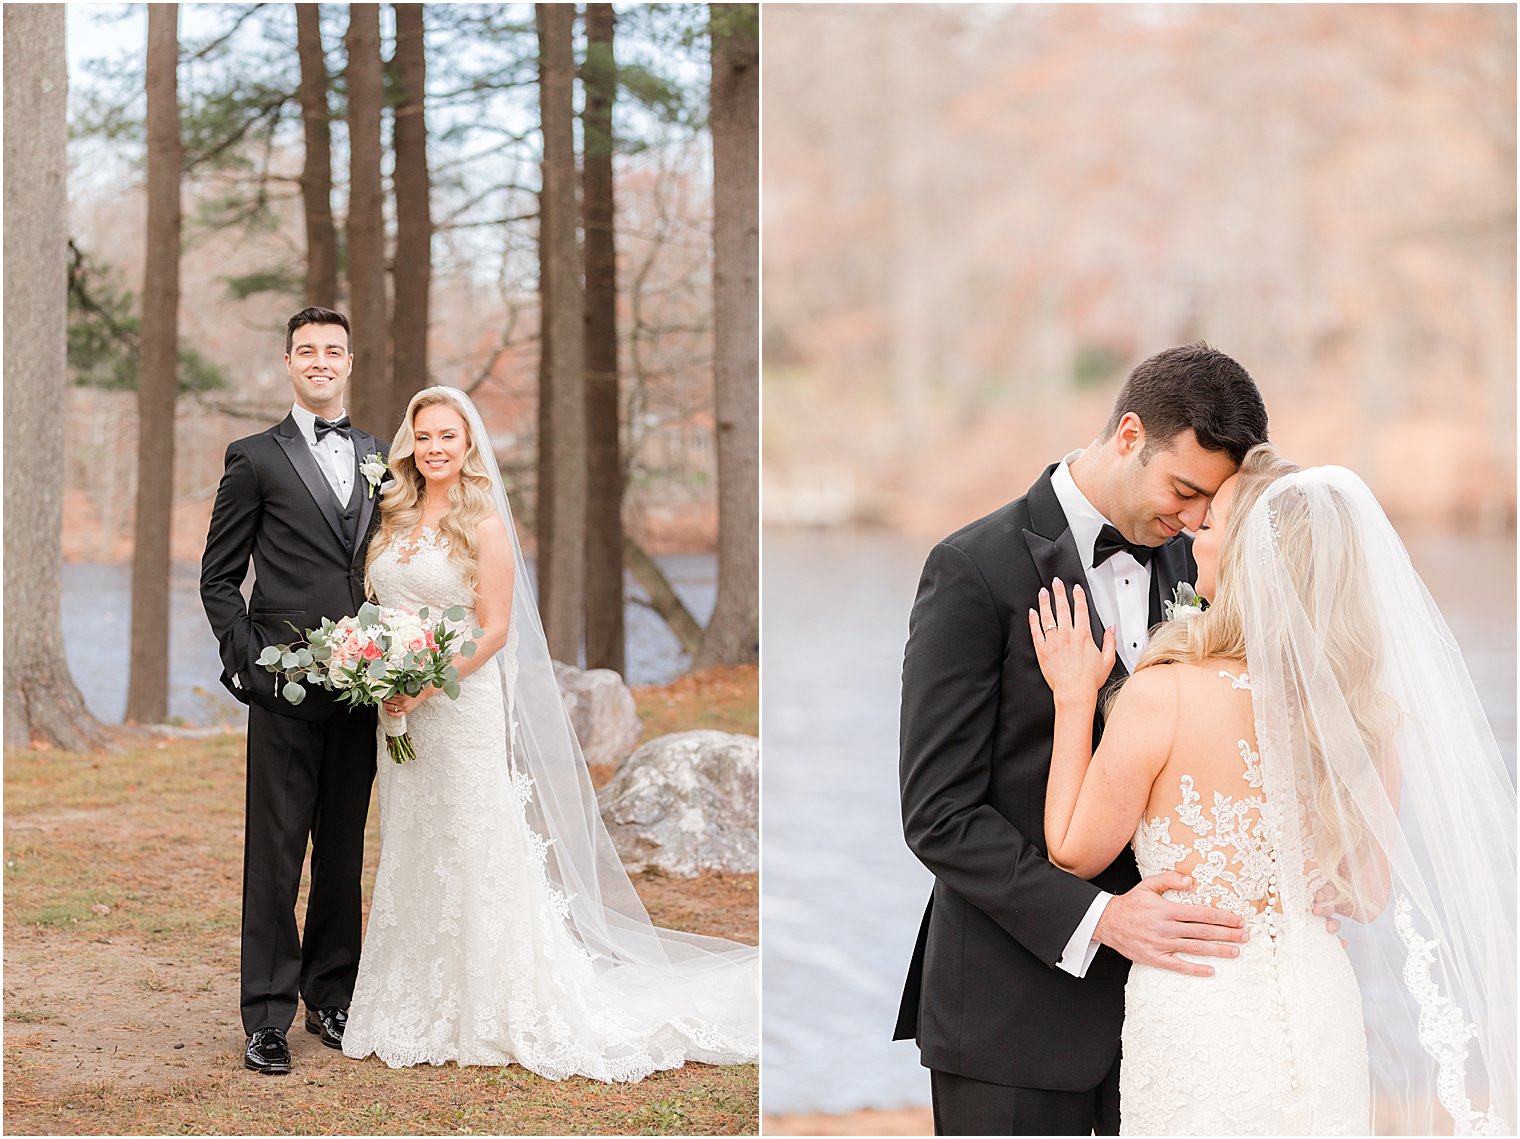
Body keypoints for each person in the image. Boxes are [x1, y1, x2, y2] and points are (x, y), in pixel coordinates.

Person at [1030, 445, 1515, 1134]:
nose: (1196, 535)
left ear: (1257, 555)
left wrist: (1074, 700)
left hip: (1200, 1001)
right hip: (1321, 1000)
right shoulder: (1362, 712)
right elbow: (1368, 893)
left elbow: (1074, 851)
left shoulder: (1162, 695)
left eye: (1216, 521)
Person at [895, 344, 1269, 1135]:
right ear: (1130, 433)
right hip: (1011, 1018)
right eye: (1184, 490)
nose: (1196, 518)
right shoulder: (973, 569)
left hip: (1171, 1016)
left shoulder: (1202, 563)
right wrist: (1101, 916)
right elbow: (937, 813)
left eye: (1210, 503)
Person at [340, 386, 758, 1079]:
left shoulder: (486, 525)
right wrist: (377, 667)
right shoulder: (392, 514)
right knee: (414, 837)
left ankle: (491, 999)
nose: (436, 447)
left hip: (457, 700)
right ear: (410, 444)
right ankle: (410, 995)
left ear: (468, 444)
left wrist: (425, 681)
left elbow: (495, 628)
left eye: (449, 435)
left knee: (473, 836)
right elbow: (379, 605)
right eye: (425, 436)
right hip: (397, 710)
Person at [200, 307, 387, 1075]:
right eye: (306, 350)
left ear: (350, 360)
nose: (320, 361)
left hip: (364, 686)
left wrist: (397, 657)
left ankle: (332, 994)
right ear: (287, 362)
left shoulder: (382, 455)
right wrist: (250, 662)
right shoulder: (254, 457)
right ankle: (268, 1014)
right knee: (275, 856)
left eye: (332, 350)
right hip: (283, 688)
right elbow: (218, 577)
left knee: (341, 853)